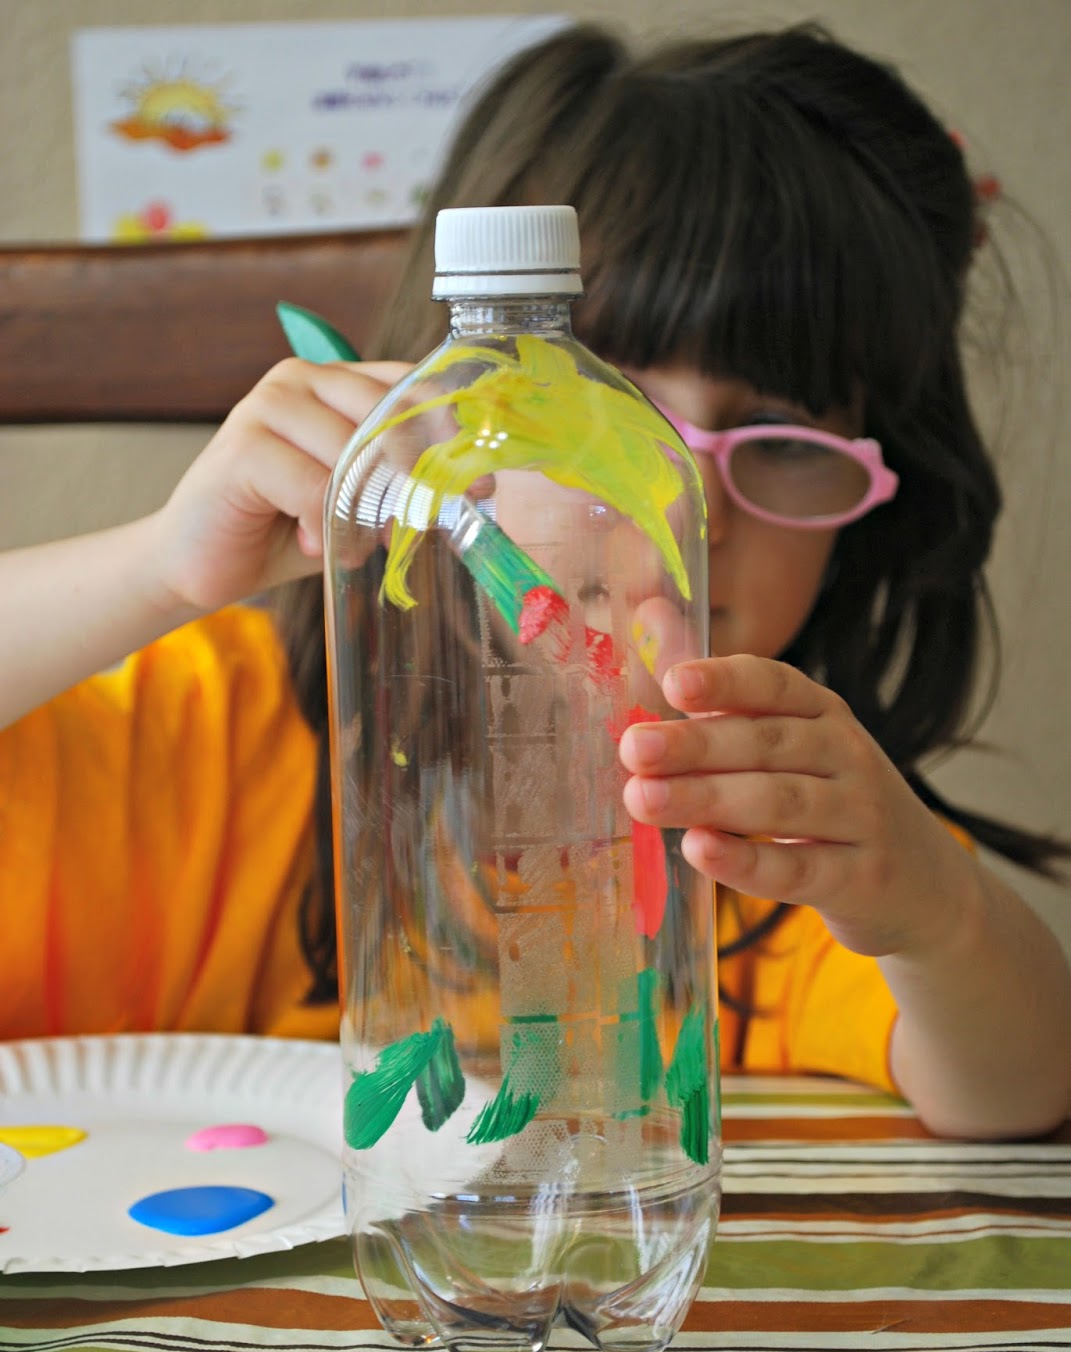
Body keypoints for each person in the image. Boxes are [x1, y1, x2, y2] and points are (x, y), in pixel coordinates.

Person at [1, 22, 1069, 1139]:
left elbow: (1022, 1085)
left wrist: (940, 921)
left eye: (783, 439)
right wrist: (158, 572)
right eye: (592, 411)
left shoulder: (770, 814)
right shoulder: (214, 733)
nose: (676, 506)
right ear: (447, 417)